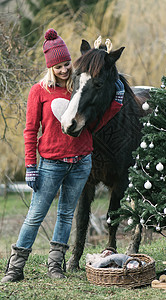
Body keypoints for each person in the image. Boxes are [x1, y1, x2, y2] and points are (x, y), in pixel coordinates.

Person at [1, 29, 124, 283]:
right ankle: (15, 267)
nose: (64, 69)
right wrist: (30, 165)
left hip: (81, 162)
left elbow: (98, 116)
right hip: (51, 164)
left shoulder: (77, 88)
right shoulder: (39, 91)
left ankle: (55, 266)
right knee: (35, 214)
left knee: (66, 214)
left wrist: (118, 94)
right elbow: (30, 130)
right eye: (58, 66)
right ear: (50, 67)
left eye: (67, 63)